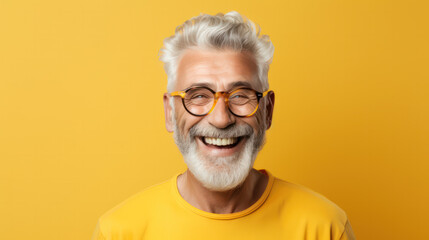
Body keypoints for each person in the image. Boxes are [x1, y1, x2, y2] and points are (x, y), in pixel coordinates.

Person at [92, 11, 356, 240]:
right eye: (198, 95)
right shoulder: (120, 231)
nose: (221, 119)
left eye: (240, 95)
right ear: (170, 112)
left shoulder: (325, 227)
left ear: (268, 110)